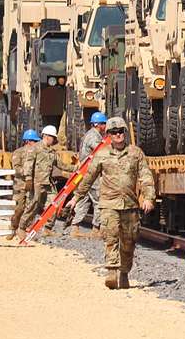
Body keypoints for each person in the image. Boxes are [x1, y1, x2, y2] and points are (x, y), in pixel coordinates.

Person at [66, 117, 155, 289]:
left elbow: (145, 176)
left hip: (130, 205)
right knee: (111, 237)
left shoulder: (135, 153)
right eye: (114, 132)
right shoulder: (101, 154)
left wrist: (149, 198)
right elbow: (88, 178)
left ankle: (124, 272)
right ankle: (111, 272)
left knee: (129, 242)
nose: (118, 135)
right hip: (108, 204)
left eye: (121, 131)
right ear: (108, 135)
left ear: (125, 133)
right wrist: (76, 197)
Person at [17, 124, 76, 232]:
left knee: (54, 204)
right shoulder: (35, 148)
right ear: (47, 136)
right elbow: (28, 164)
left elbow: (61, 165)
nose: (54, 141)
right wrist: (28, 179)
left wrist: (76, 168)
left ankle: (48, 229)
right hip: (36, 183)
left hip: (48, 184)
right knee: (32, 206)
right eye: (53, 138)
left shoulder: (51, 152)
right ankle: (21, 227)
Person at [69, 111, 108, 235]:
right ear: (98, 124)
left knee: (83, 199)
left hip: (85, 173)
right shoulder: (93, 136)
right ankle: (96, 229)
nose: (105, 127)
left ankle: (75, 227)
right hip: (91, 172)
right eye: (104, 124)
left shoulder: (90, 134)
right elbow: (100, 150)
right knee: (98, 199)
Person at [9, 129, 40, 238]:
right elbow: (16, 168)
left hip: (31, 184)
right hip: (20, 185)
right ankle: (13, 228)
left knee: (30, 207)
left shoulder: (36, 153)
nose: (35, 144)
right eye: (34, 141)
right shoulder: (18, 152)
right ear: (27, 141)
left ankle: (25, 229)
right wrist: (27, 173)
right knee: (19, 208)